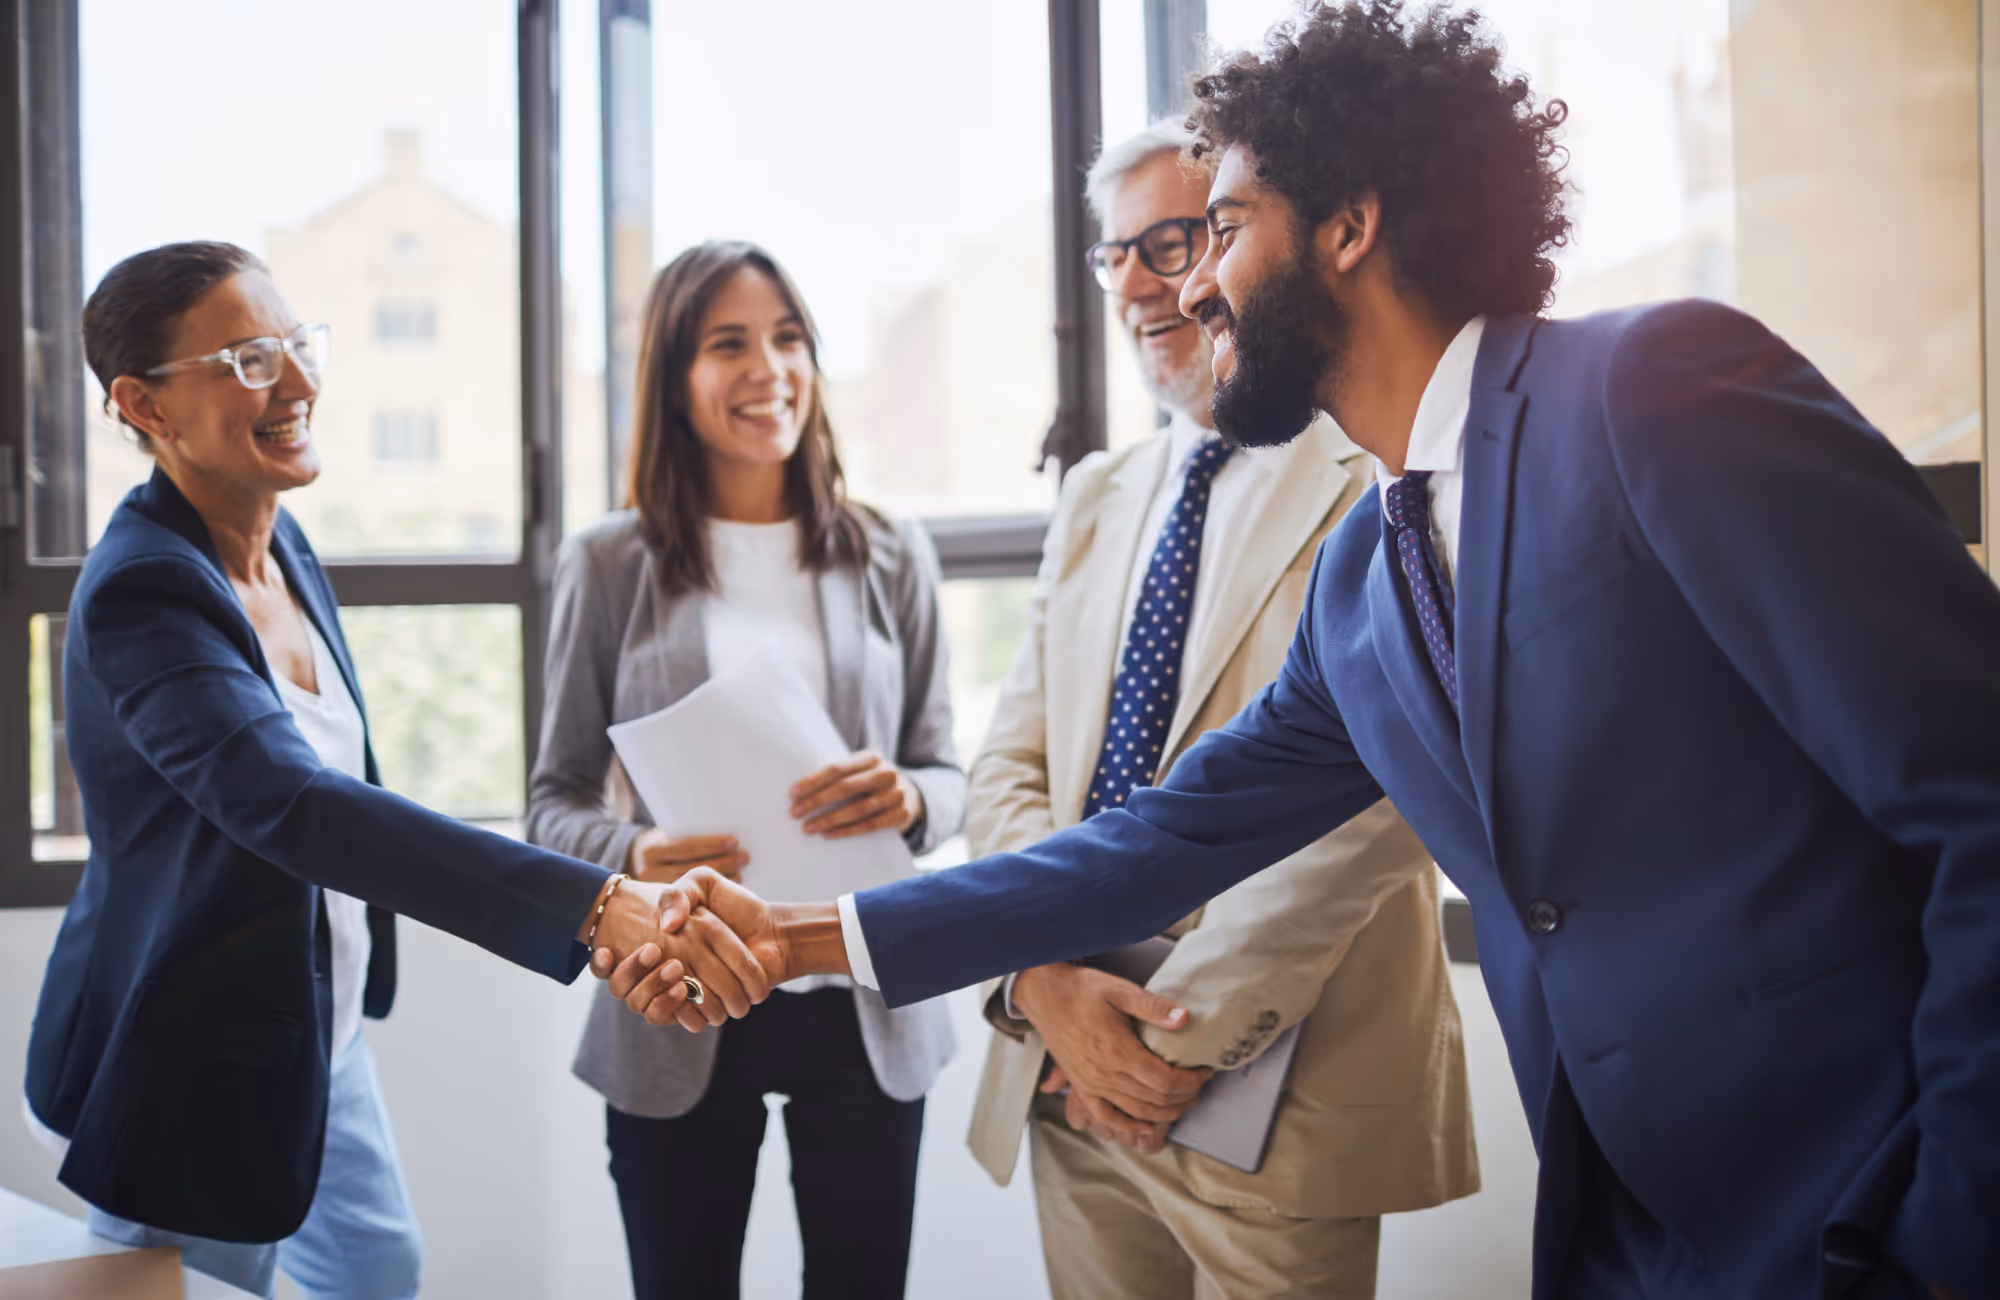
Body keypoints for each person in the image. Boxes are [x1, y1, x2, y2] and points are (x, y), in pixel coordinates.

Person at [609, 5, 2000, 1298]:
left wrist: (1955, 1220)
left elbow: (1976, 793)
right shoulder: (1363, 579)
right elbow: (1156, 842)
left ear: (1349, 223)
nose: (1193, 283)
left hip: (1877, 1193)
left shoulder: (1653, 392)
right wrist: (805, 937)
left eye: (1219, 227)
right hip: (1641, 1228)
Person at [23, 242, 764, 1300]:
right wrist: (596, 903)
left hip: (309, 1029)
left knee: (377, 1271)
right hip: (194, 1050)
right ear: (144, 406)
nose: (296, 382)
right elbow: (298, 805)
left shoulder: (282, 545)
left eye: (293, 345)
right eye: (245, 359)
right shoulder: (144, 591)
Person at [963, 119, 1476, 1299]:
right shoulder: (1097, 492)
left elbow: (1379, 803)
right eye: (1115, 255)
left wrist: (1159, 1042)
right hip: (1062, 1075)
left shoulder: (1376, 468)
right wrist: (1043, 977)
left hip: (1276, 1096)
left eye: (1173, 239)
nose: (1146, 284)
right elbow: (1009, 766)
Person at [527, 240, 961, 1300]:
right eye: (729, 344)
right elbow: (551, 802)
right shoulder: (608, 561)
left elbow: (947, 771)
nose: (768, 367)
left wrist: (909, 798)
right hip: (678, 994)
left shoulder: (890, 550)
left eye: (788, 337)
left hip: (860, 997)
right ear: (674, 378)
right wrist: (632, 850)